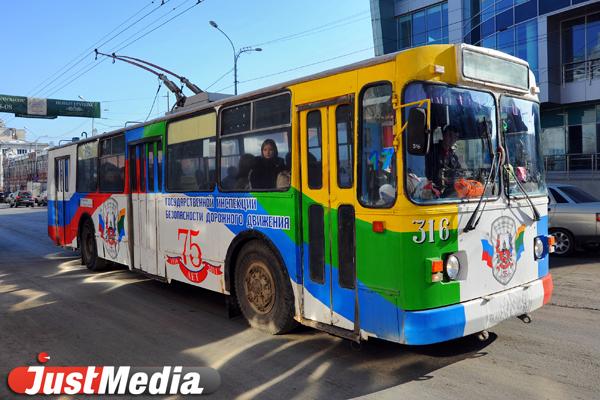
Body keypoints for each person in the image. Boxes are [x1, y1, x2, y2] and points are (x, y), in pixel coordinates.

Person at [432, 125, 462, 195]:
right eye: (450, 135)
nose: (452, 139)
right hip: (434, 192)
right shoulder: (432, 152)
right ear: (443, 135)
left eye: (455, 137)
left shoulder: (453, 156)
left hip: (450, 191)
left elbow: (459, 171)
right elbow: (430, 175)